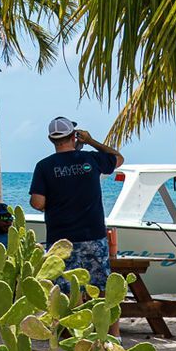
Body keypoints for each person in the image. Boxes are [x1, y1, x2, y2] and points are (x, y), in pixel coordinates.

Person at [28, 116, 124, 297]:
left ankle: (73, 326)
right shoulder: (91, 158)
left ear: (51, 139)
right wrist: (91, 141)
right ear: (74, 136)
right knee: (101, 289)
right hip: (93, 235)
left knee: (67, 292)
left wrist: (55, 203)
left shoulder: (44, 166)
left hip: (61, 240)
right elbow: (118, 158)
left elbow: (37, 202)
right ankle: (108, 326)